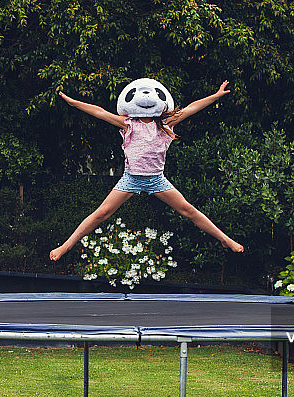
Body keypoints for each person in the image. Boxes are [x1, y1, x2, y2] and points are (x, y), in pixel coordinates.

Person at [49, 79, 244, 261]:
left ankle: (225, 239)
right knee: (102, 213)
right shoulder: (128, 124)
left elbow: (192, 108)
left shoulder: (166, 123)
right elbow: (99, 112)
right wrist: (74, 103)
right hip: (131, 178)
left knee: (188, 210)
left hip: (157, 179)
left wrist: (216, 95)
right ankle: (66, 246)